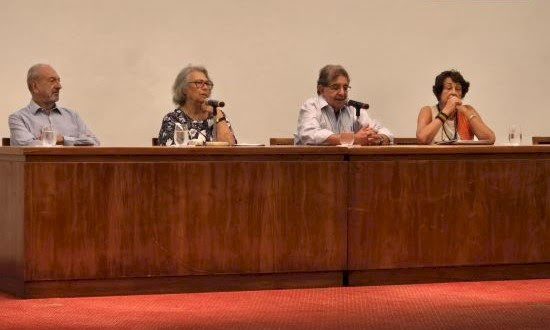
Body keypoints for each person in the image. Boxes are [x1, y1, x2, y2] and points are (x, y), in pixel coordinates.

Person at [295, 64, 393, 145]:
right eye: (335, 87)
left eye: (345, 88)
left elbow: (381, 130)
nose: (342, 93)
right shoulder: (311, 106)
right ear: (321, 89)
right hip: (313, 165)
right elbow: (309, 135)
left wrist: (378, 138)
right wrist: (353, 139)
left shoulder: (352, 108)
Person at [9, 64, 100, 146]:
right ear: (34, 87)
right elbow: (26, 145)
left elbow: (94, 142)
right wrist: (75, 141)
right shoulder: (18, 118)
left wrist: (63, 139)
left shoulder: (72, 116)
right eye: (52, 81)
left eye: (59, 81)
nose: (59, 86)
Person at [158, 65, 236, 146]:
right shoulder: (173, 119)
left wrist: (217, 112)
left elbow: (230, 148)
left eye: (207, 83)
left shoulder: (216, 116)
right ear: (184, 89)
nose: (205, 87)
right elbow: (172, 155)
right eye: (199, 83)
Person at [416, 70, 495, 144]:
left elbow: (490, 139)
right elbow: (422, 139)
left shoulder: (467, 110)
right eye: (449, 88)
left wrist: (465, 111)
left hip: (463, 158)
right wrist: (446, 111)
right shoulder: (427, 111)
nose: (454, 92)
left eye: (458, 89)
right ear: (439, 92)